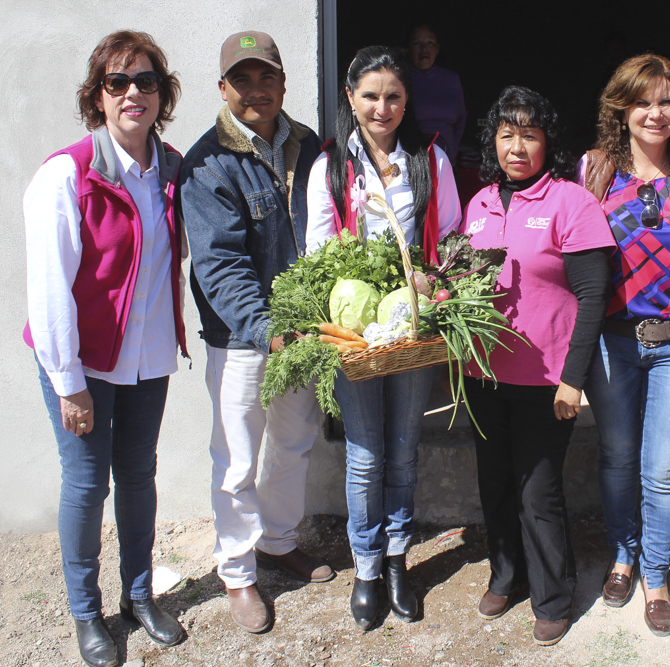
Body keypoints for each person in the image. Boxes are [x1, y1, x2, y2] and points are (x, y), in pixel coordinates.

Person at [23, 30, 187, 667]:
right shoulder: (66, 175)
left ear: (162, 94)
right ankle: (86, 613)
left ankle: (139, 596)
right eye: (118, 82)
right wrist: (69, 383)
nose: (132, 93)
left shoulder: (171, 168)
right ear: (98, 96)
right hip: (83, 360)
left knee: (139, 476)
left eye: (146, 81)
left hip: (148, 356)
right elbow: (49, 292)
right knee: (88, 484)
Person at [305, 45, 462, 631]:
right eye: (370, 95)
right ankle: (366, 567)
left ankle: (397, 559)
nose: (382, 107)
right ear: (351, 98)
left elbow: (451, 235)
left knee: (403, 448)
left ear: (406, 100)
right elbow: (317, 251)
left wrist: (433, 278)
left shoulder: (430, 160)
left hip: (412, 324)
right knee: (366, 455)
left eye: (393, 96)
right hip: (356, 336)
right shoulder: (331, 168)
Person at [182, 31, 330, 635]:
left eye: (266, 76)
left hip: (303, 332)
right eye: (241, 79)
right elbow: (219, 264)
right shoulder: (207, 162)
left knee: (293, 442)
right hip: (243, 338)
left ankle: (277, 542)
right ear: (223, 88)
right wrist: (266, 328)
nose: (256, 90)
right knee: (237, 458)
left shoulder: (308, 145)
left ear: (283, 82)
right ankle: (238, 573)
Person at [462, 85, 614, 647]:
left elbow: (593, 296)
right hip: (482, 373)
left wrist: (574, 379)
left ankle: (553, 594)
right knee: (495, 480)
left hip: (546, 378)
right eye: (507, 135)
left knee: (538, 490)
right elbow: (462, 280)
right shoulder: (479, 204)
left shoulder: (571, 202)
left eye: (529, 134)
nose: (517, 146)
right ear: (493, 142)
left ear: (547, 141)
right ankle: (507, 575)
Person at [576, 54, 670, 637]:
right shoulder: (595, 170)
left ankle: (656, 575)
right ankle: (623, 555)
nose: (655, 113)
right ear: (622, 108)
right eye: (642, 101)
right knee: (616, 456)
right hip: (613, 341)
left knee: (664, 467)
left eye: (666, 101)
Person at [407, 24, 466, 163]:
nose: (424, 48)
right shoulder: (402, 79)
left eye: (430, 43)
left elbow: (461, 117)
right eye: (417, 43)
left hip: (448, 160)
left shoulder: (451, 79)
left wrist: (452, 149)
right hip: (412, 159)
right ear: (409, 48)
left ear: (437, 48)